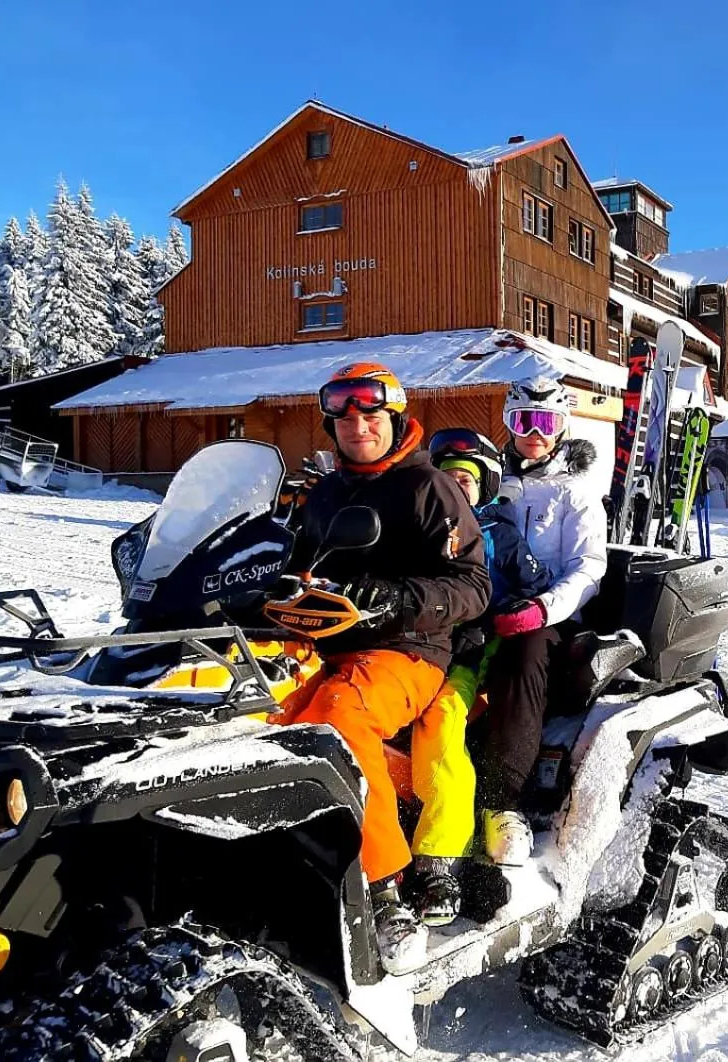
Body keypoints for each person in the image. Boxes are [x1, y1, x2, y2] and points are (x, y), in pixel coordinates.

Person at [270, 362, 491, 971]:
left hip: (411, 649)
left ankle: (386, 886)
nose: (359, 427)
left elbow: (473, 586)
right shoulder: (326, 493)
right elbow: (296, 562)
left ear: (394, 419)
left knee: (338, 717)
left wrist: (399, 600)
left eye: (371, 415)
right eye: (345, 417)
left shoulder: (429, 489)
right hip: (327, 641)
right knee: (256, 709)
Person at [407, 429, 552, 925]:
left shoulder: (499, 533)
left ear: (486, 485)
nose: (457, 489)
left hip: (474, 651)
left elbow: (536, 586)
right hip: (418, 647)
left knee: (445, 718)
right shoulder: (419, 530)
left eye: (466, 481)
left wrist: (517, 611)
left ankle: (449, 852)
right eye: (447, 480)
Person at [476, 377, 608, 867]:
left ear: (561, 428)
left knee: (524, 655)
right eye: (523, 420)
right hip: (483, 603)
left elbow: (590, 567)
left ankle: (504, 799)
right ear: (508, 424)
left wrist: (543, 609)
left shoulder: (575, 493)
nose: (534, 432)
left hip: (553, 614)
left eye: (546, 422)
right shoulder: (493, 479)